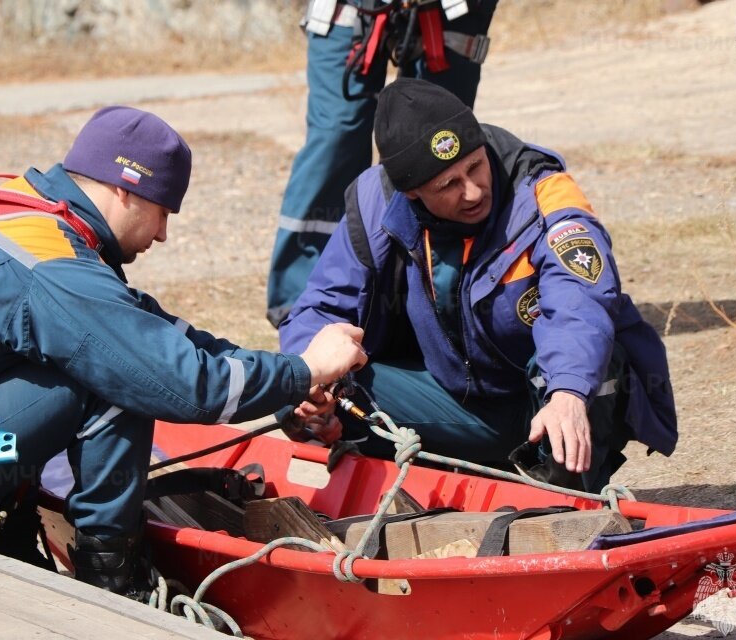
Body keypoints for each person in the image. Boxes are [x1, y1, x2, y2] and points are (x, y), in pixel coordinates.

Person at [0, 106, 367, 593]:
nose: (164, 234)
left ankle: (14, 530)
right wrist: (306, 369)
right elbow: (176, 382)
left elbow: (145, 327)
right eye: (164, 211)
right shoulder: (55, 270)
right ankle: (114, 581)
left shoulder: (10, 207)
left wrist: (283, 373)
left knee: (104, 354)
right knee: (118, 381)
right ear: (124, 189)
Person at [279, 80, 678, 492]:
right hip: (457, 402)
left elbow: (579, 301)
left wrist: (569, 393)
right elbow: (322, 307)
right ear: (412, 194)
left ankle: (565, 502)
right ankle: (416, 488)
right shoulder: (374, 203)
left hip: (548, 400)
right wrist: (310, 381)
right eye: (447, 185)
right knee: (313, 377)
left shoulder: (544, 192)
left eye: (475, 167)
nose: (471, 192)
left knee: (595, 354)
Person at [266, 0, 500, 327]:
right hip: (350, 7)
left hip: (450, 8)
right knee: (336, 138)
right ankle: (304, 311)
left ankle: (434, 300)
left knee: (441, 149)